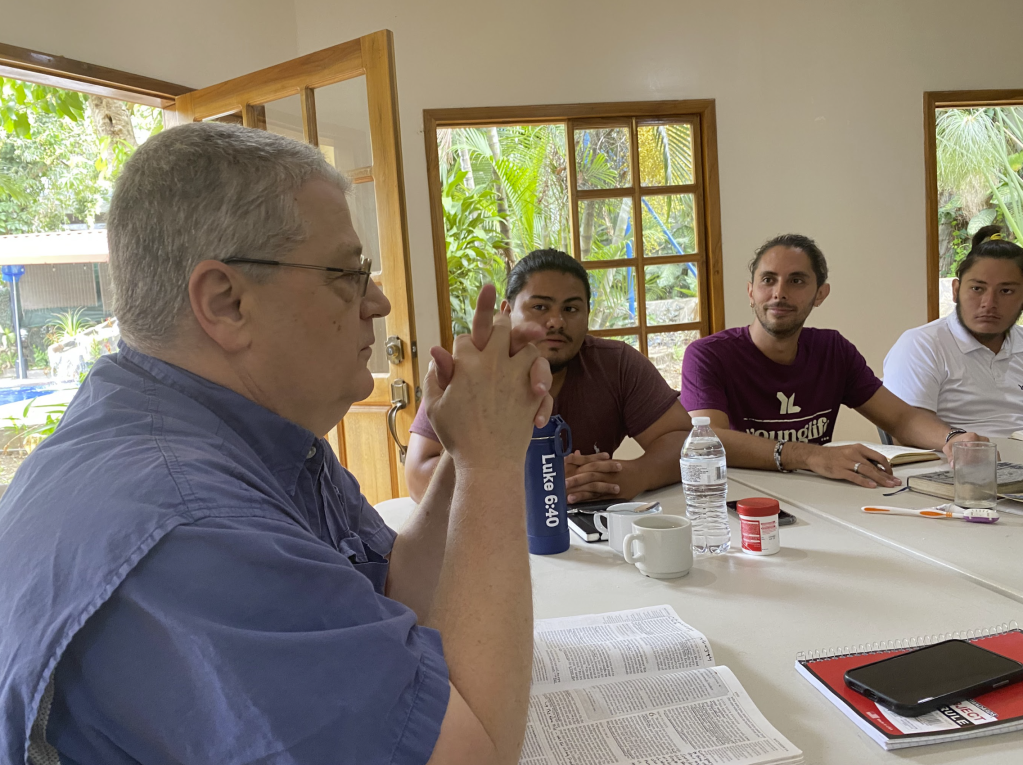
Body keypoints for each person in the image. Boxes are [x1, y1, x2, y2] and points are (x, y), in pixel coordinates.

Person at [0, 122, 554, 765]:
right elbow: (472, 756)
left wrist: (464, 444)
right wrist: (491, 461)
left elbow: (397, 592)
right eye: (347, 273)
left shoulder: (232, 431)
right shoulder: (195, 531)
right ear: (226, 302)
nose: (377, 302)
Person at [680, 233, 985, 489]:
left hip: (821, 496)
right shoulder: (708, 355)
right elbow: (707, 441)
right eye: (768, 280)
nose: (779, 293)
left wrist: (953, 438)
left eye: (796, 281)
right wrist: (809, 455)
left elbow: (901, 419)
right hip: (740, 499)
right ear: (751, 292)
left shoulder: (832, 350)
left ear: (820, 294)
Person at [405, 249, 693, 505]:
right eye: (540, 307)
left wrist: (634, 474)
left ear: (587, 314)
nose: (556, 321)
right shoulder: (471, 371)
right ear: (507, 311)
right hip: (491, 523)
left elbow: (686, 441)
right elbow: (418, 476)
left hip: (592, 530)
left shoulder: (617, 365)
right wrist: (534, 480)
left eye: (571, 309)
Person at [884, 226, 1023, 437]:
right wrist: (961, 443)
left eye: (1006, 291)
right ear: (956, 290)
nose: (989, 303)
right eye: (977, 289)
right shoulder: (922, 345)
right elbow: (904, 429)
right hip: (958, 455)